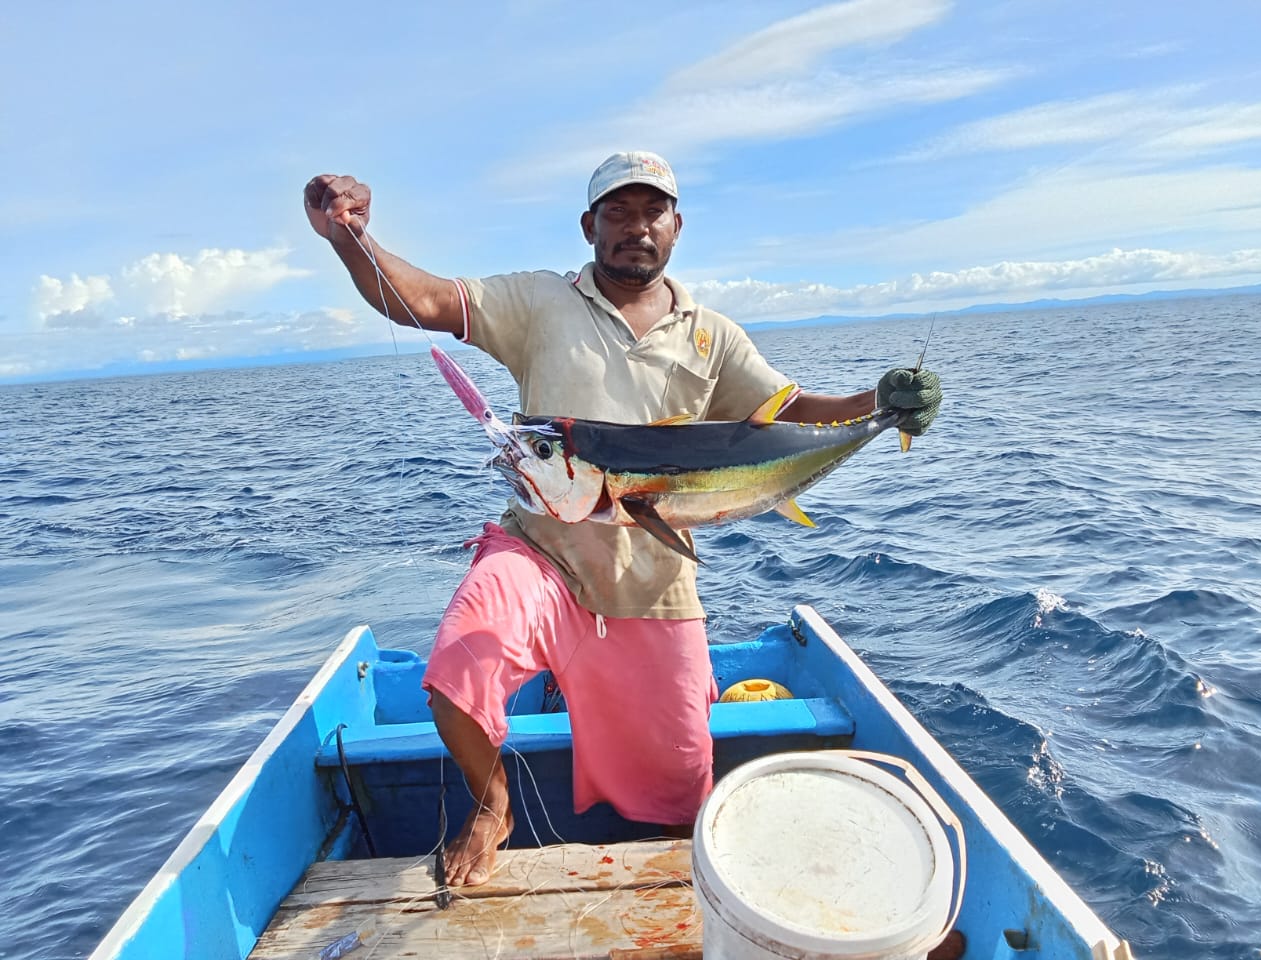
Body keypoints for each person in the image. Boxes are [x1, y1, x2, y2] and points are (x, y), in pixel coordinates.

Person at [304, 151, 942, 888]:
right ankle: (491, 806)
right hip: (542, 552)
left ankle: (684, 883)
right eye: (617, 212)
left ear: (676, 226)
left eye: (651, 212)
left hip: (654, 581)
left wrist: (879, 403)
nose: (635, 227)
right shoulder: (540, 302)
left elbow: (792, 415)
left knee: (681, 790)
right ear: (589, 226)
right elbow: (426, 300)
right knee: (456, 668)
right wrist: (351, 239)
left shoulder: (713, 336)